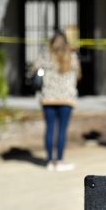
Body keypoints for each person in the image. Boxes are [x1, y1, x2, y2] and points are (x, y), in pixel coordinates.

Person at [33, 31, 81, 171]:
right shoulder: (71, 56)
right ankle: (59, 161)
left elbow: (34, 68)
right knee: (61, 130)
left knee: (49, 129)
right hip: (66, 98)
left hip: (48, 97)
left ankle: (49, 161)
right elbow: (78, 74)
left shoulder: (45, 55)